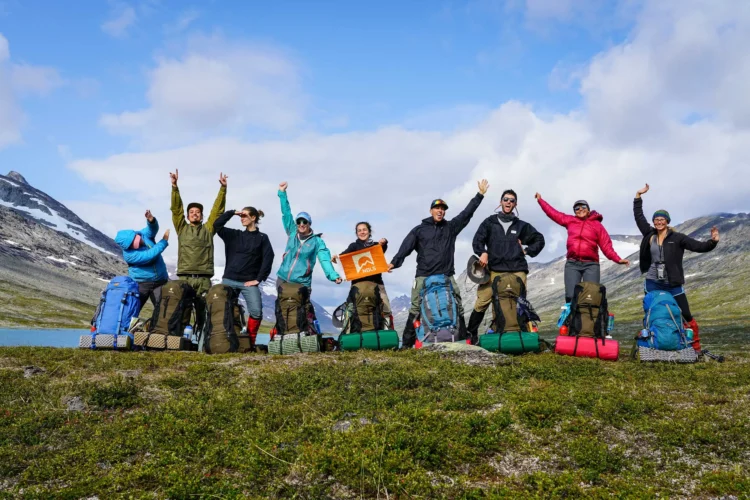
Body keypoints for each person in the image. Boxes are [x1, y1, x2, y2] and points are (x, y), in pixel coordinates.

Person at [389, 179, 490, 347]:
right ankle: (406, 345)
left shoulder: (451, 227)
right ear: (431, 210)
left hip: (446, 275)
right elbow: (406, 247)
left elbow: (466, 214)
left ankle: (463, 340)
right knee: (415, 308)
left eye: (443, 209)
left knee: (457, 305)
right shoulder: (419, 230)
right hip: (423, 276)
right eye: (437, 208)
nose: (440, 211)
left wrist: (479, 195)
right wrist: (394, 262)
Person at [634, 183, 719, 351]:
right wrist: (638, 196)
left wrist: (713, 242)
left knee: (686, 313)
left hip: (673, 283)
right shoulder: (650, 235)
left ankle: (695, 347)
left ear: (667, 221)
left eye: (662, 219)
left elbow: (698, 246)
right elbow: (639, 217)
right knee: (651, 312)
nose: (659, 222)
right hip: (652, 282)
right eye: (656, 219)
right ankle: (653, 344)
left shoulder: (678, 237)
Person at [468, 189, 545, 342]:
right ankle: (470, 335)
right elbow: (477, 240)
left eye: (512, 200)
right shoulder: (490, 222)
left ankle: (521, 335)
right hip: (494, 270)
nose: (508, 202)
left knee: (519, 303)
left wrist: (527, 251)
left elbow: (539, 239)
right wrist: (482, 252)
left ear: (515, 204)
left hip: (517, 270)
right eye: (506, 199)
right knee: (482, 301)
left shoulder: (521, 225)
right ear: (500, 202)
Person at [536, 193, 630, 303]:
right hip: (572, 264)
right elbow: (553, 213)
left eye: (583, 207)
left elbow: (606, 246)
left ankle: (590, 314)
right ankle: (571, 314)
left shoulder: (597, 225)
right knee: (571, 296)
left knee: (591, 296)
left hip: (591, 265)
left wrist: (617, 259)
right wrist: (540, 200)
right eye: (577, 208)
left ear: (588, 210)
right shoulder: (570, 220)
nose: (580, 209)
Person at [170, 169, 227, 332]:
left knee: (204, 314)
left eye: (198, 212)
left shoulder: (208, 229)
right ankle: (179, 341)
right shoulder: (182, 228)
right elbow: (176, 210)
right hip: (184, 277)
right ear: (188, 216)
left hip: (203, 279)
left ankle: (204, 341)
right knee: (182, 312)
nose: (194, 214)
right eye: (191, 212)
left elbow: (217, 212)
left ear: (202, 216)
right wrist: (174, 187)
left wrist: (223, 189)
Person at [214, 206, 275, 346]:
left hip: (249, 282)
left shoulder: (262, 238)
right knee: (222, 309)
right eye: (241, 216)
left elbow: (268, 258)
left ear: (253, 218)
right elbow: (217, 225)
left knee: (256, 312)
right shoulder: (234, 235)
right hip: (229, 280)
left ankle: (250, 343)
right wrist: (232, 213)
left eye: (245, 215)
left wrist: (258, 279)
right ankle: (224, 341)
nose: (242, 218)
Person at [276, 181, 342, 291]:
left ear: (309, 224)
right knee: (281, 302)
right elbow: (286, 213)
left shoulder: (317, 242)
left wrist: (333, 276)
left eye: (304, 222)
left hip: (302, 284)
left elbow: (325, 260)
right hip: (282, 279)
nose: (301, 224)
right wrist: (282, 193)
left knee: (302, 303)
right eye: (299, 222)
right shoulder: (292, 232)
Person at [332, 222, 392, 325]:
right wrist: (336, 257)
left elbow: (383, 248)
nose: (362, 232)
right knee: (351, 309)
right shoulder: (353, 246)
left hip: (376, 283)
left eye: (364, 229)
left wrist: (384, 241)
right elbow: (343, 257)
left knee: (385, 309)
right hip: (358, 285)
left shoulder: (376, 245)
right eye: (359, 230)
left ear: (369, 231)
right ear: (356, 233)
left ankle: (387, 329)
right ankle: (349, 330)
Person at [114, 210, 170, 308]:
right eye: (133, 244)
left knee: (162, 309)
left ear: (135, 235)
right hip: (142, 284)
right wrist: (164, 241)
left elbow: (152, 230)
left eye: (137, 240)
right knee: (133, 308)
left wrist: (151, 220)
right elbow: (150, 255)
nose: (138, 243)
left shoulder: (142, 234)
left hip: (160, 281)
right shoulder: (129, 255)